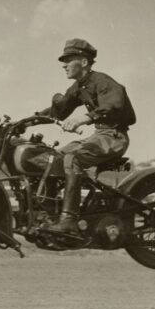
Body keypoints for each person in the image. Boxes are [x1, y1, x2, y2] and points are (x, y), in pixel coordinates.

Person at [38, 38, 137, 236]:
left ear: (83, 62)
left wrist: (84, 119)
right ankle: (49, 212)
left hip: (113, 136)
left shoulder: (103, 81)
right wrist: (32, 118)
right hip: (99, 135)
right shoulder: (78, 87)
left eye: (68, 60)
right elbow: (60, 110)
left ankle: (69, 220)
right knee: (52, 158)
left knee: (72, 159)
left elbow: (112, 106)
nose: (64, 65)